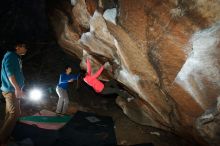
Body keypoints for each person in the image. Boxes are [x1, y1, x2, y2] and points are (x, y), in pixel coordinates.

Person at [0, 41, 27, 146]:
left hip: (14, 90)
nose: (26, 49)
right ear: (17, 47)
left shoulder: (16, 57)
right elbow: (10, 73)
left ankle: (5, 137)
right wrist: (17, 88)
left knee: (10, 114)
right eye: (24, 46)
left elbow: (16, 73)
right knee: (14, 114)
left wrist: (20, 88)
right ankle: (2, 140)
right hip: (11, 90)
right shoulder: (10, 56)